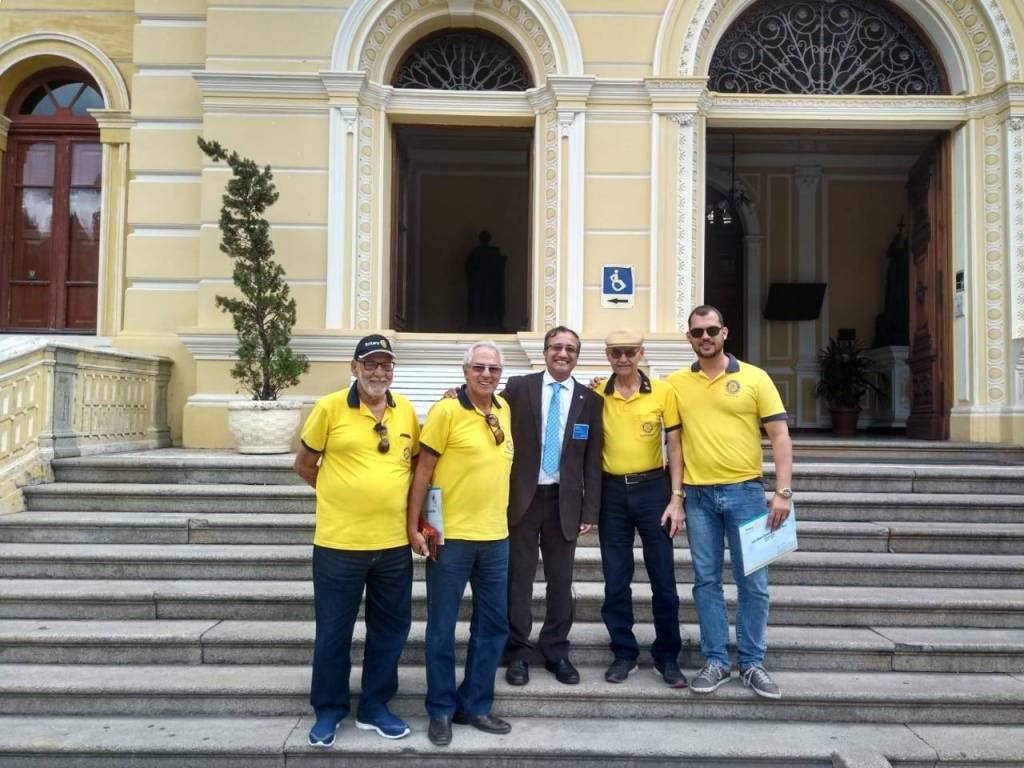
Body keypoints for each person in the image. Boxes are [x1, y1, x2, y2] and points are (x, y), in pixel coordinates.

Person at [294, 334, 419, 748]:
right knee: (334, 632)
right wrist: (339, 494)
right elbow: (305, 464)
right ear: (354, 368)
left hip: (393, 545)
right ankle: (329, 710)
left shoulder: (406, 412)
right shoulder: (329, 408)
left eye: (386, 365)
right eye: (371, 364)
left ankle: (375, 706)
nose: (379, 372)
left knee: (390, 630)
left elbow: (416, 466)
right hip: (339, 544)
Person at [665, 304, 793, 700]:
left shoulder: (755, 377)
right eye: (697, 332)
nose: (704, 337)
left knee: (753, 582)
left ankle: (752, 663)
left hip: (746, 494)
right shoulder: (675, 384)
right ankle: (716, 661)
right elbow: (674, 443)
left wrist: (783, 492)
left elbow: (780, 436)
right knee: (706, 582)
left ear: (725, 332)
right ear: (689, 338)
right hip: (699, 497)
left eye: (711, 330)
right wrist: (677, 496)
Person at [407, 340, 515, 747]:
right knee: (442, 627)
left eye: (493, 369)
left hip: (496, 538)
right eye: (479, 368)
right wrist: (413, 526)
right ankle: (440, 709)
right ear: (465, 370)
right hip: (450, 539)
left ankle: (475, 704)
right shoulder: (446, 410)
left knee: (493, 626)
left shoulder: (504, 409)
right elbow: (423, 471)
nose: (486, 375)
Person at [503, 326, 603, 687]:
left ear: (577, 356)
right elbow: (486, 413)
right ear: (545, 352)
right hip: (523, 500)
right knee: (519, 580)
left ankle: (556, 650)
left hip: (565, 502)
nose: (563, 353)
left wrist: (590, 510)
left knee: (561, 582)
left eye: (571, 349)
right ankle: (517, 651)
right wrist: (457, 395)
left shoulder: (590, 400)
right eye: (557, 347)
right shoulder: (519, 388)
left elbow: (592, 459)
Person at [595, 329, 687, 688]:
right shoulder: (596, 393)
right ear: (607, 355)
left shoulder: (663, 391)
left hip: (653, 490)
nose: (623, 358)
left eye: (630, 352)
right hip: (611, 493)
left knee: (663, 579)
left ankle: (667, 656)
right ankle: (624, 653)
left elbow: (675, 446)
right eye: (616, 352)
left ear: (641, 353)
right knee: (616, 579)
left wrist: (676, 497)